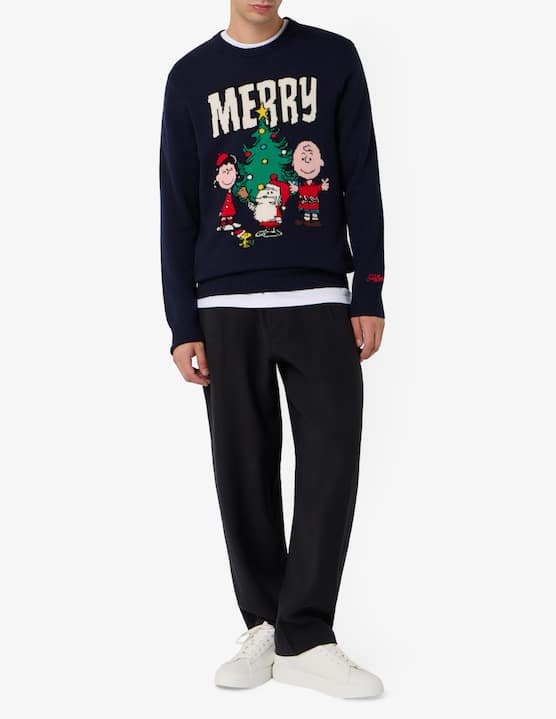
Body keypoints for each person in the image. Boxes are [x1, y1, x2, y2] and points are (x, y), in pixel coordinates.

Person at [159, 1, 386, 700]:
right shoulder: (190, 77)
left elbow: (362, 176)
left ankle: (306, 635)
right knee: (242, 469)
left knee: (330, 462)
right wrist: (181, 322)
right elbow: (177, 204)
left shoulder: (334, 57)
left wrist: (370, 289)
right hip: (224, 308)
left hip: (319, 297)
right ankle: (264, 622)